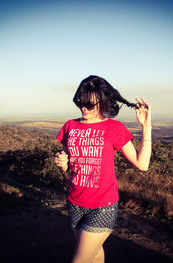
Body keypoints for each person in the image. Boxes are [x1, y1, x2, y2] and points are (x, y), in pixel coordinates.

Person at [55, 75, 152, 263]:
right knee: (94, 254)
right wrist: (63, 163)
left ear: (102, 102)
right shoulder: (70, 126)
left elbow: (142, 164)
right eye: (79, 102)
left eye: (89, 104)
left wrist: (146, 127)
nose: (83, 108)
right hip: (74, 202)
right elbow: (68, 165)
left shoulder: (114, 128)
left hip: (102, 207)